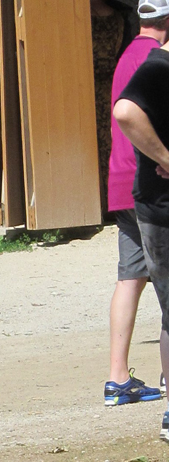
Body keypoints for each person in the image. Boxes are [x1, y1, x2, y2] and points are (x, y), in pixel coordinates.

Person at [104, 0, 169, 406]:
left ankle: (116, 377)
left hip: (118, 178)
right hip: (148, 181)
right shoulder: (158, 60)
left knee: (130, 277)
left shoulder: (127, 53)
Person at [91, 0, 125, 213]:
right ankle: (112, 200)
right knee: (110, 142)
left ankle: (100, 203)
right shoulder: (118, 18)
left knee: (95, 142)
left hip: (88, 85)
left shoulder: (80, 19)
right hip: (112, 85)